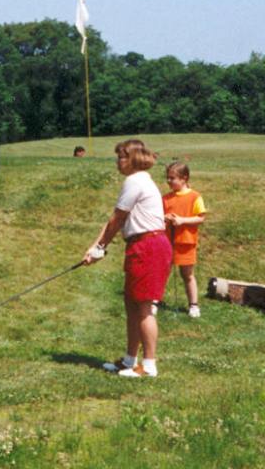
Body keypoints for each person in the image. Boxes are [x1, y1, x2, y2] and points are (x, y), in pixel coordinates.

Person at [83, 139, 172, 378]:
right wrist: (95, 247)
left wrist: (100, 248)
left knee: (144, 307)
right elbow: (114, 220)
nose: (117, 162)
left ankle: (149, 365)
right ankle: (130, 360)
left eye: (121, 157)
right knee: (132, 305)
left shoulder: (135, 180)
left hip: (149, 246)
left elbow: (116, 220)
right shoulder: (137, 180)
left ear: (132, 159)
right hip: (140, 245)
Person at [162, 162, 207, 318]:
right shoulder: (166, 198)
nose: (168, 181)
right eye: (167, 178)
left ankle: (193, 305)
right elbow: (159, 217)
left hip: (186, 242)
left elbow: (201, 218)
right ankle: (155, 301)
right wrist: (165, 218)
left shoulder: (195, 196)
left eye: (172, 178)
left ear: (184, 178)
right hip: (167, 241)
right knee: (162, 272)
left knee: (187, 275)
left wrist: (182, 221)